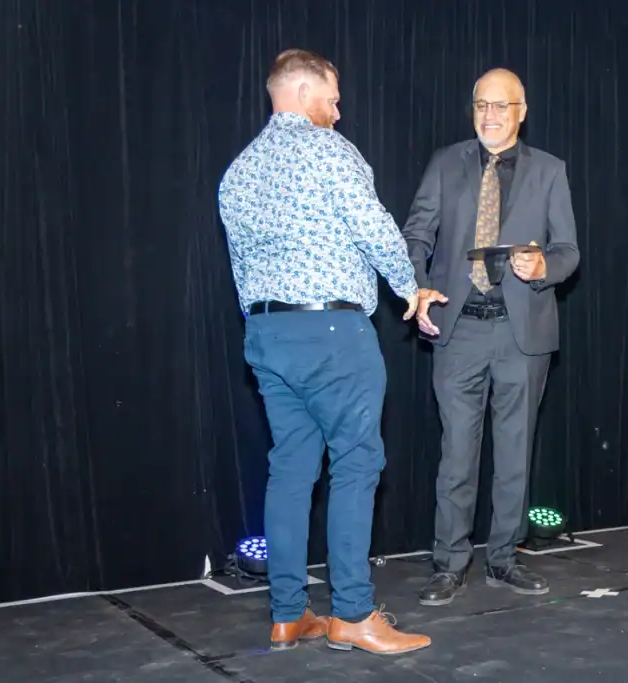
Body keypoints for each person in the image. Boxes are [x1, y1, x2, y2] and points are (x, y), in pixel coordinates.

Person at [218, 48, 431, 655]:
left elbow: (240, 266)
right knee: (357, 464)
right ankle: (353, 614)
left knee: (289, 470)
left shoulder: (239, 170)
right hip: (332, 333)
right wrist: (410, 288)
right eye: (333, 100)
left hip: (266, 335)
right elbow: (375, 227)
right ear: (305, 93)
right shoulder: (330, 151)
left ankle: (288, 614)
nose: (337, 113)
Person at [402, 68, 579, 605]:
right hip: (458, 330)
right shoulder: (445, 163)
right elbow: (416, 234)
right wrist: (417, 285)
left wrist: (543, 266)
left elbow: (568, 251)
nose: (490, 115)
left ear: (521, 111)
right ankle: (449, 563)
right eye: (482, 105)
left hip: (522, 334)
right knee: (457, 453)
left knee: (515, 453)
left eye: (501, 106)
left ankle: (504, 559)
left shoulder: (549, 170)